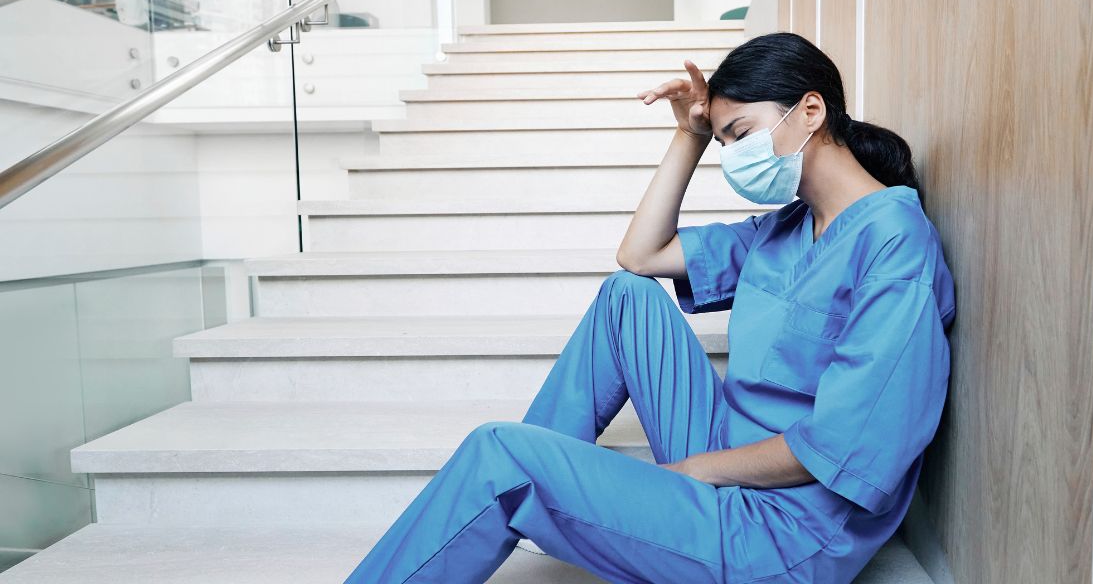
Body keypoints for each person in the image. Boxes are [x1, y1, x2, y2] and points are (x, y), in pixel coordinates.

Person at [343, 31, 957, 583]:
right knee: (627, 298)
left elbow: (847, 446)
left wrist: (694, 470)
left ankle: (528, 481)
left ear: (811, 110)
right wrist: (689, 136)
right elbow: (640, 255)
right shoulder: (785, 229)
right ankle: (545, 485)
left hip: (783, 528)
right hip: (727, 453)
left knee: (498, 452)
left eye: (739, 134)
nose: (734, 156)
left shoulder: (893, 242)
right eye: (723, 143)